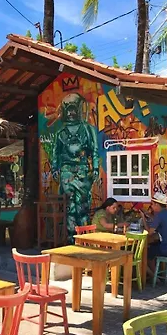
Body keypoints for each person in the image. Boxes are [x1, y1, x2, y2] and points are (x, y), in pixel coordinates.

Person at [51, 93, 99, 240]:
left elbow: (94, 150)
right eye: (69, 110)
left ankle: (84, 238)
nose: (71, 113)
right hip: (66, 172)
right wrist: (55, 168)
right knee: (70, 208)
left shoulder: (88, 129)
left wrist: (95, 167)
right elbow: (56, 152)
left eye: (74, 109)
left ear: (79, 109)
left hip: (83, 171)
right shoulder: (60, 132)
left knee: (82, 207)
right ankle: (72, 239)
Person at [139, 192, 167, 276]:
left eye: (152, 204)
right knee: (153, 248)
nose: (151, 206)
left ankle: (154, 276)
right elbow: (160, 222)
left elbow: (149, 232)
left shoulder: (159, 216)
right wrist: (148, 215)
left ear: (157, 205)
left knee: (146, 254)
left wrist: (143, 218)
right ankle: (156, 275)